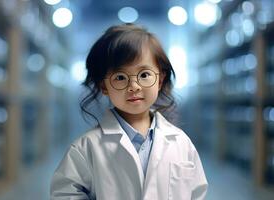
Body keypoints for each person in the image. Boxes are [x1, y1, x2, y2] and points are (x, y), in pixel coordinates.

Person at [50, 23, 208, 200]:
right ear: (104, 86)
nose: (134, 86)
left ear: (160, 80)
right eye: (120, 77)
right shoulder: (85, 148)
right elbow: (65, 194)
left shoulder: (181, 143)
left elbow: (197, 193)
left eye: (144, 75)